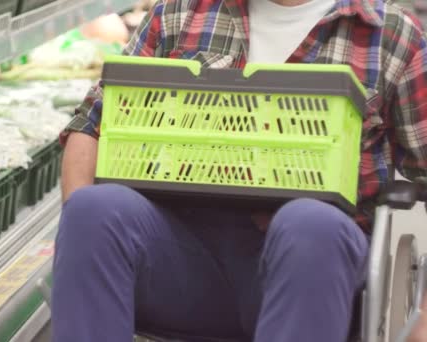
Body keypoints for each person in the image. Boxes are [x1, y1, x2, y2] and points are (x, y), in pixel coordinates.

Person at [52, 0, 427, 341]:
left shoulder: (390, 35)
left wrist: (424, 315)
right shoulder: (180, 13)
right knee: (93, 209)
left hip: (310, 270)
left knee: (312, 223)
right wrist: (80, 239)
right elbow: (92, 124)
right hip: (180, 255)